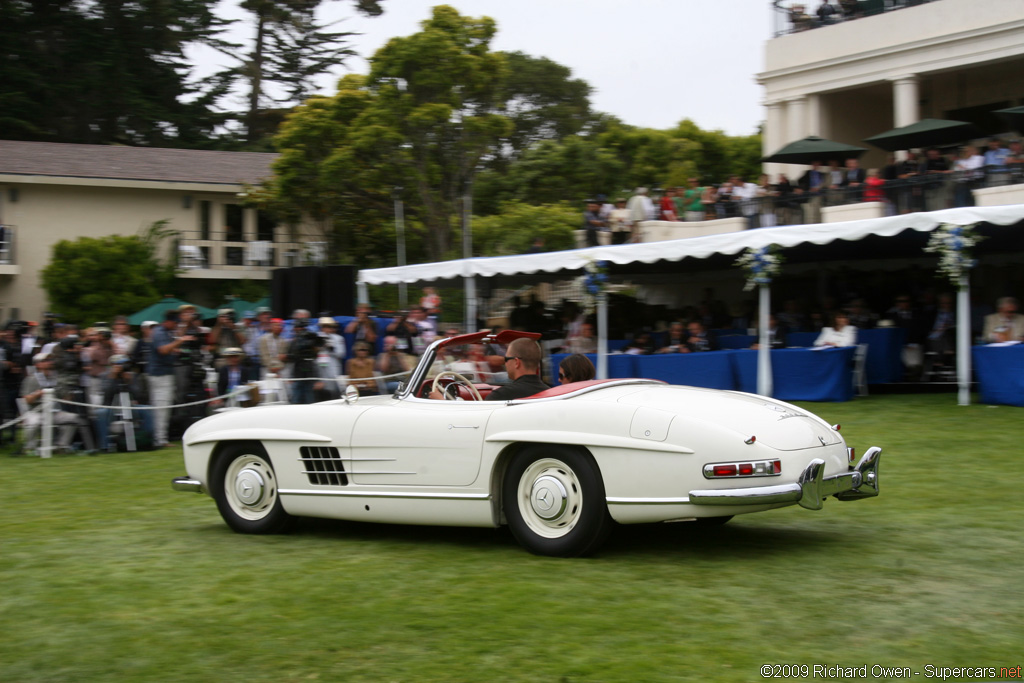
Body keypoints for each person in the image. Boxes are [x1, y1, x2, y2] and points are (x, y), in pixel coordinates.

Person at [150, 310, 192, 448]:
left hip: (164, 373)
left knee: (164, 407)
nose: (176, 325)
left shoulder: (164, 332)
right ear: (168, 321)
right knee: (162, 408)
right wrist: (179, 341)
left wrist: (176, 350)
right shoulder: (159, 332)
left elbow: (167, 349)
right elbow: (162, 350)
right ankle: (160, 440)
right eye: (175, 323)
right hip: (160, 375)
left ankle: (161, 438)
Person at [483, 337, 549, 401]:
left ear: (517, 362)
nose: (505, 363)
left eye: (506, 359)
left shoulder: (499, 396)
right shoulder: (551, 395)